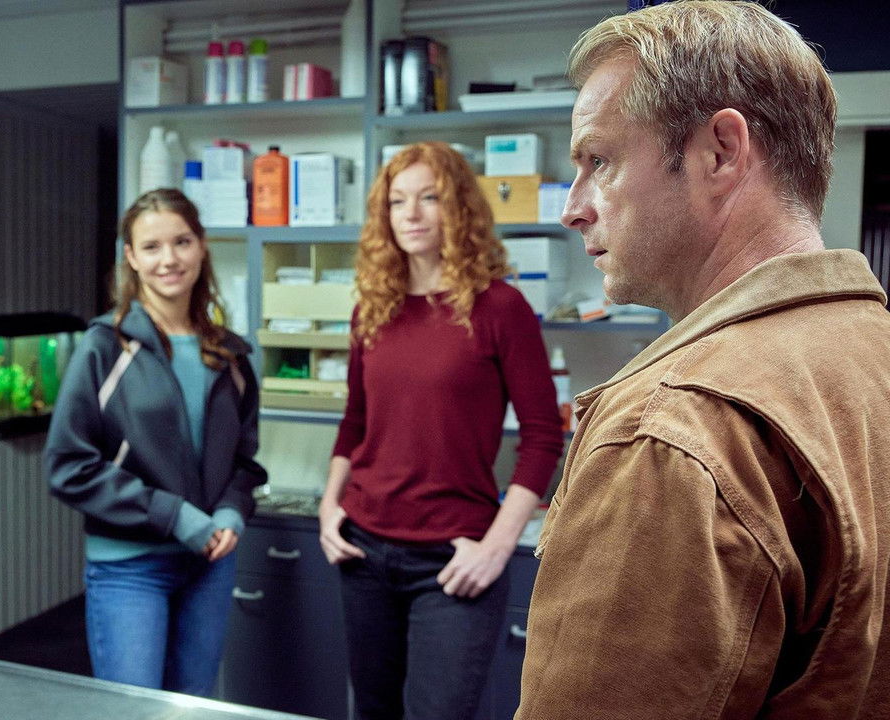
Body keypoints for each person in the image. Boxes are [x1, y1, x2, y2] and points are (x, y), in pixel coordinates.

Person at [517, 2, 890, 718]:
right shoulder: (869, 349)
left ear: (720, 152)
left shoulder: (673, 431)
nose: (573, 207)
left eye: (599, 161)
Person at [318, 141, 564, 720]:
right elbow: (355, 421)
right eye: (398, 201)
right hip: (363, 549)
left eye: (429, 197)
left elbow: (542, 436)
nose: (411, 213)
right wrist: (329, 507)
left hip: (453, 559)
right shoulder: (372, 308)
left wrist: (498, 547)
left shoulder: (499, 307)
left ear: (458, 207)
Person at [45, 188, 266, 696]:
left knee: (193, 706)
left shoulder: (230, 356)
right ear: (131, 257)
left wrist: (232, 510)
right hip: (129, 567)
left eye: (182, 242)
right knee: (134, 708)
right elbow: (68, 466)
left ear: (202, 246)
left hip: (209, 563)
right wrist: (175, 516)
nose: (169, 259)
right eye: (151, 247)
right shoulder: (104, 347)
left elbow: (245, 461)